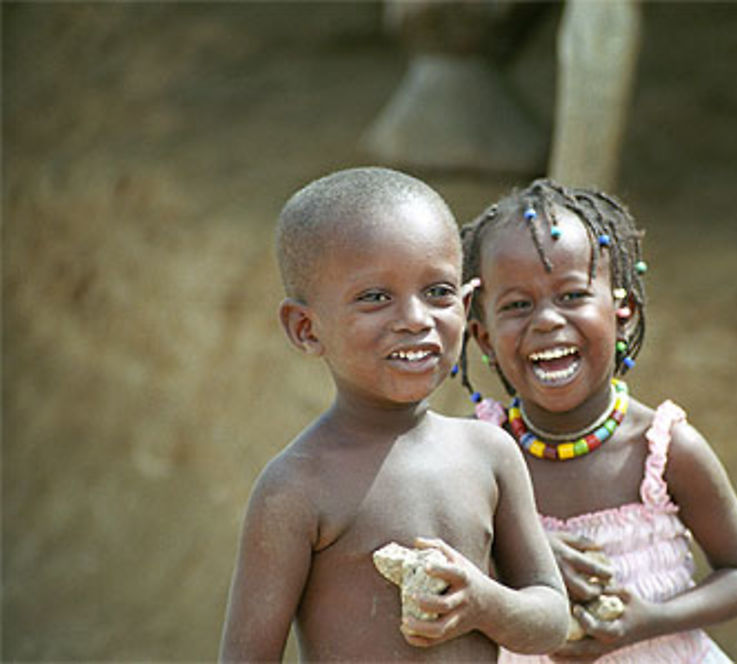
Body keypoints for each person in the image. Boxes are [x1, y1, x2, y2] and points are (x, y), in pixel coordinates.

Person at [220, 167, 569, 662]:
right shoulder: (296, 488)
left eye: (438, 292)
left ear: (467, 307)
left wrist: (483, 604)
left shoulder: (490, 452)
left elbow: (552, 620)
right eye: (375, 297)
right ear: (306, 328)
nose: (415, 319)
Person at [458, 179, 737, 662]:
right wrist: (519, 553)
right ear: (482, 337)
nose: (545, 321)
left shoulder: (662, 450)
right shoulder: (479, 453)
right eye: (517, 305)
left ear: (622, 311)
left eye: (571, 295)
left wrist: (647, 620)